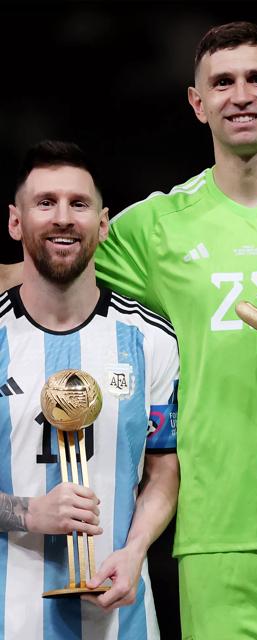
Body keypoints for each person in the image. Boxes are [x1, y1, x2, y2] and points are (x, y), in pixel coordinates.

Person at [2, 20, 257, 640]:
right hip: (214, 539)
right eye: (221, 82)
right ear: (198, 104)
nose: (240, 95)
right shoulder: (156, 227)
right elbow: (44, 265)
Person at [0, 140, 179, 640]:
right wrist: (30, 513)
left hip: (122, 620)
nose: (63, 218)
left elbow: (164, 469)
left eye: (79, 204)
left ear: (102, 224)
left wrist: (136, 548)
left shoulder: (152, 340)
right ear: (15, 222)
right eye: (45, 203)